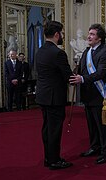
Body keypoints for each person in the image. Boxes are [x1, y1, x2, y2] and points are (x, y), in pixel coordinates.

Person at [69, 24, 106, 164]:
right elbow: (81, 70)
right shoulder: (86, 51)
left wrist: (82, 79)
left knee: (102, 125)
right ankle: (95, 147)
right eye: (89, 33)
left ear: (99, 38)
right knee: (91, 124)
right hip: (88, 95)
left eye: (92, 34)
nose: (89, 36)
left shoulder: (105, 52)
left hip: (100, 95)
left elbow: (101, 73)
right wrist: (74, 76)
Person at [35, 21, 73, 170]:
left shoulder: (40, 51)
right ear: (57, 34)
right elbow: (67, 76)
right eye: (62, 33)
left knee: (46, 128)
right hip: (54, 97)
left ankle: (48, 158)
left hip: (43, 96)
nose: (62, 36)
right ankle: (54, 160)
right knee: (54, 130)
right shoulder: (58, 53)